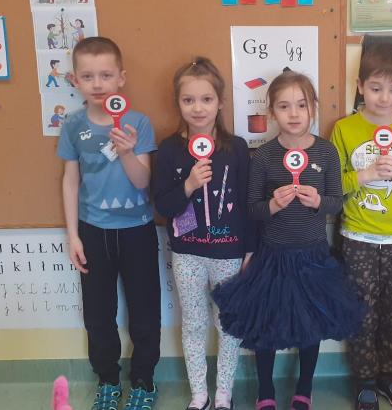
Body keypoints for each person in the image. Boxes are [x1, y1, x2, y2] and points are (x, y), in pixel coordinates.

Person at [213, 71, 363, 410]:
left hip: (313, 256)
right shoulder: (264, 156)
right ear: (271, 112)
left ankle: (304, 389)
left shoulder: (326, 152)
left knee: (311, 325)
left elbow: (336, 202)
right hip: (272, 256)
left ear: (313, 108)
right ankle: (265, 390)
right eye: (284, 106)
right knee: (266, 324)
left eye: (301, 105)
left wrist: (318, 201)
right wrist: (273, 205)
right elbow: (252, 208)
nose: (294, 114)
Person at [57, 37, 161, 410]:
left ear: (121, 78)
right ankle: (107, 380)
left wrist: (128, 151)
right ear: (75, 80)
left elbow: (143, 181)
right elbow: (71, 180)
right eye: (88, 76)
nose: (97, 84)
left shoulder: (138, 123)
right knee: (98, 314)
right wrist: (73, 235)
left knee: (145, 311)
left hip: (137, 231)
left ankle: (144, 380)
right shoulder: (73, 125)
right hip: (92, 231)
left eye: (105, 75)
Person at [331, 43, 392, 410]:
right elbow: (332, 183)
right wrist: (365, 174)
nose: (384, 98)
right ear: (360, 86)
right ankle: (365, 382)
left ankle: (388, 375)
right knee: (363, 311)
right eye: (375, 88)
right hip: (358, 236)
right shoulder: (344, 129)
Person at [153, 58, 255, 410]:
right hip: (188, 255)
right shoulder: (169, 149)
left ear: (220, 102)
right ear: (178, 103)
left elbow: (248, 202)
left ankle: (224, 393)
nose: (198, 108)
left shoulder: (236, 148)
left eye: (206, 99)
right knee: (194, 324)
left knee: (227, 325)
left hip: (229, 254)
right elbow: (163, 205)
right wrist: (189, 184)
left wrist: (250, 250)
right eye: (189, 100)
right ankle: (200, 394)